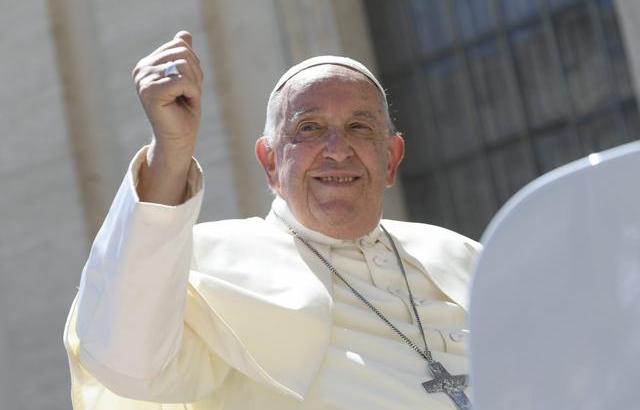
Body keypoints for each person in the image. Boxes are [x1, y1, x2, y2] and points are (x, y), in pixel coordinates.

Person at [64, 31, 481, 410]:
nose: (337, 149)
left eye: (359, 127)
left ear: (390, 159)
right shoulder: (206, 263)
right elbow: (127, 361)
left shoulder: (464, 256)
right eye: (310, 128)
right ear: (270, 163)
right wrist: (170, 148)